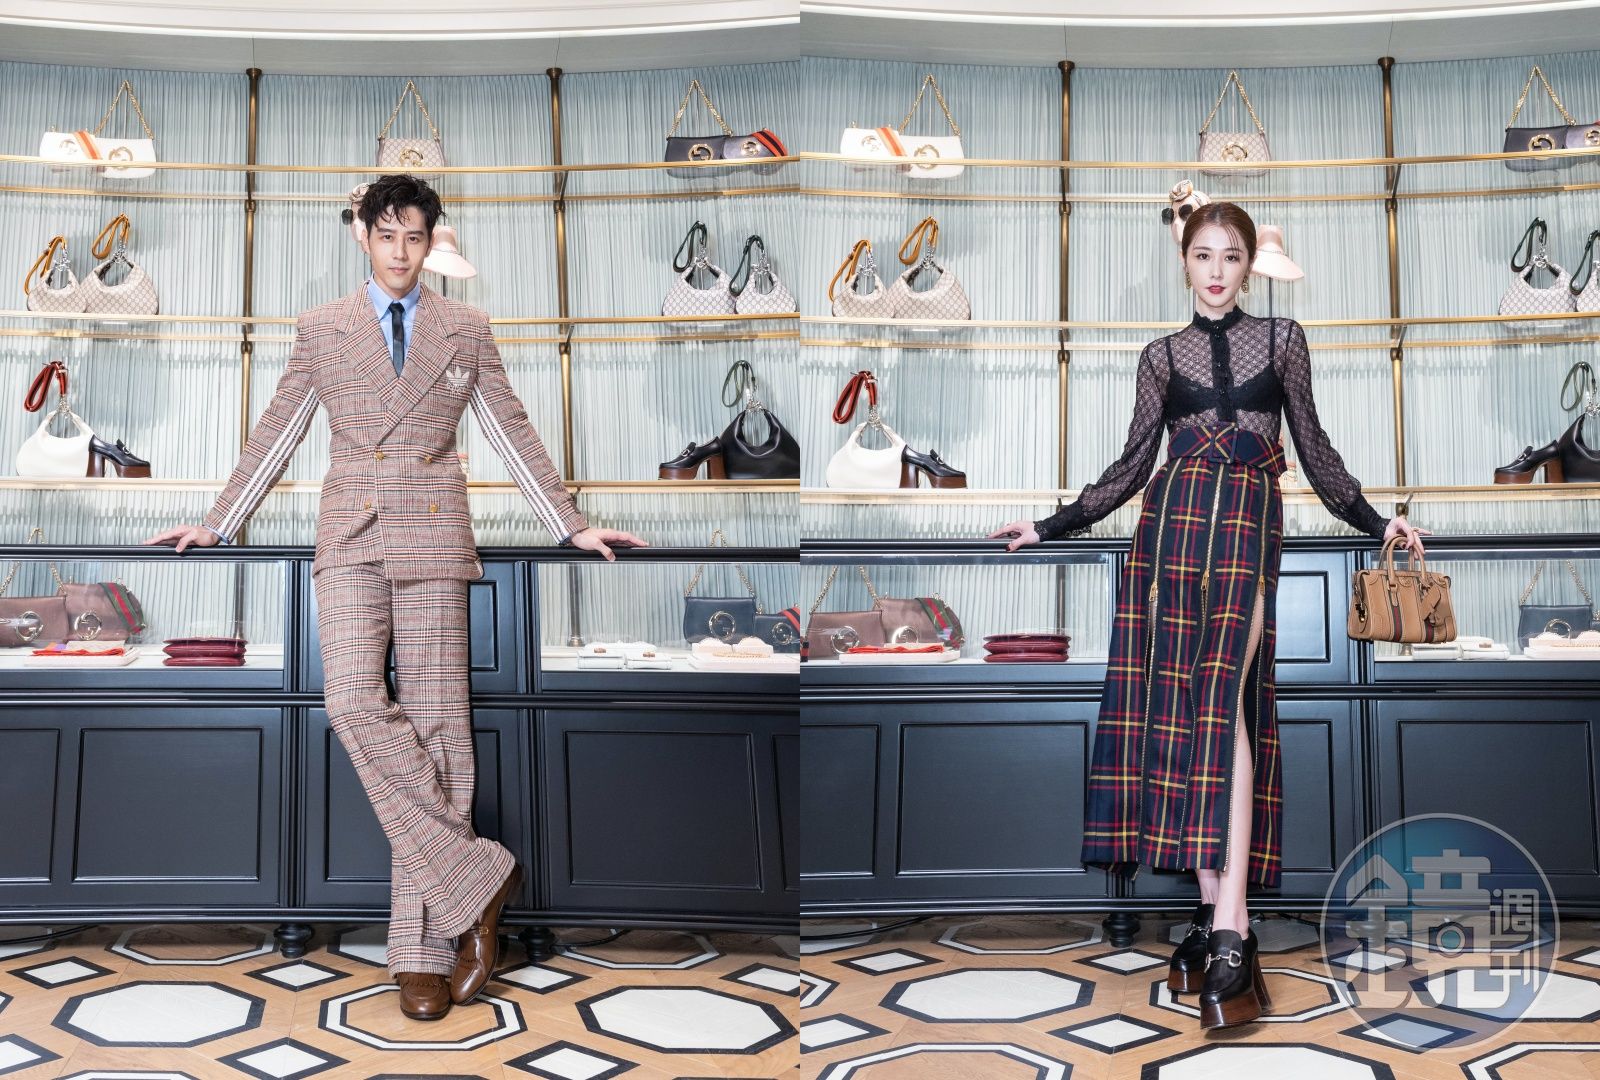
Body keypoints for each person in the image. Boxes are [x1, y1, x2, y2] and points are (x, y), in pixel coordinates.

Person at [144, 174, 646, 1022]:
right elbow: (279, 429)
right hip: (350, 536)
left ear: (431, 240)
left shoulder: (466, 327)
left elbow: (511, 428)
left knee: (441, 732)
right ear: (361, 236)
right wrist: (219, 520)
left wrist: (570, 524)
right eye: (387, 236)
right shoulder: (323, 328)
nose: (401, 252)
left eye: (415, 236)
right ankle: (477, 879)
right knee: (350, 699)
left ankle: (422, 953)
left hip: (435, 537)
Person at [988, 201, 1428, 1030]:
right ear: (1184, 262)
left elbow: (1314, 446)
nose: (1217, 270)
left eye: (1231, 255)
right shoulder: (1161, 356)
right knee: (1184, 713)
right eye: (1203, 255)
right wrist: (1050, 523)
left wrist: (1377, 521)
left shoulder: (1284, 339)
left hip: (1247, 529)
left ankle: (1232, 926)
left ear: (1250, 264)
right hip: (1171, 532)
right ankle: (1212, 914)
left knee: (1225, 703)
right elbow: (1132, 465)